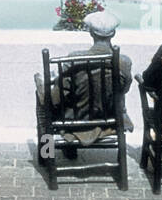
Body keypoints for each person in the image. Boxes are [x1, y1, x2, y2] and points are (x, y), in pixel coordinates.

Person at [35, 10, 132, 154]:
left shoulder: (74, 59)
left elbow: (57, 97)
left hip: (76, 119)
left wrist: (46, 86)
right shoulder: (123, 62)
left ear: (91, 33)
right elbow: (123, 90)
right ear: (113, 34)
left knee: (43, 103)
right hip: (110, 117)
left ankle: (46, 153)